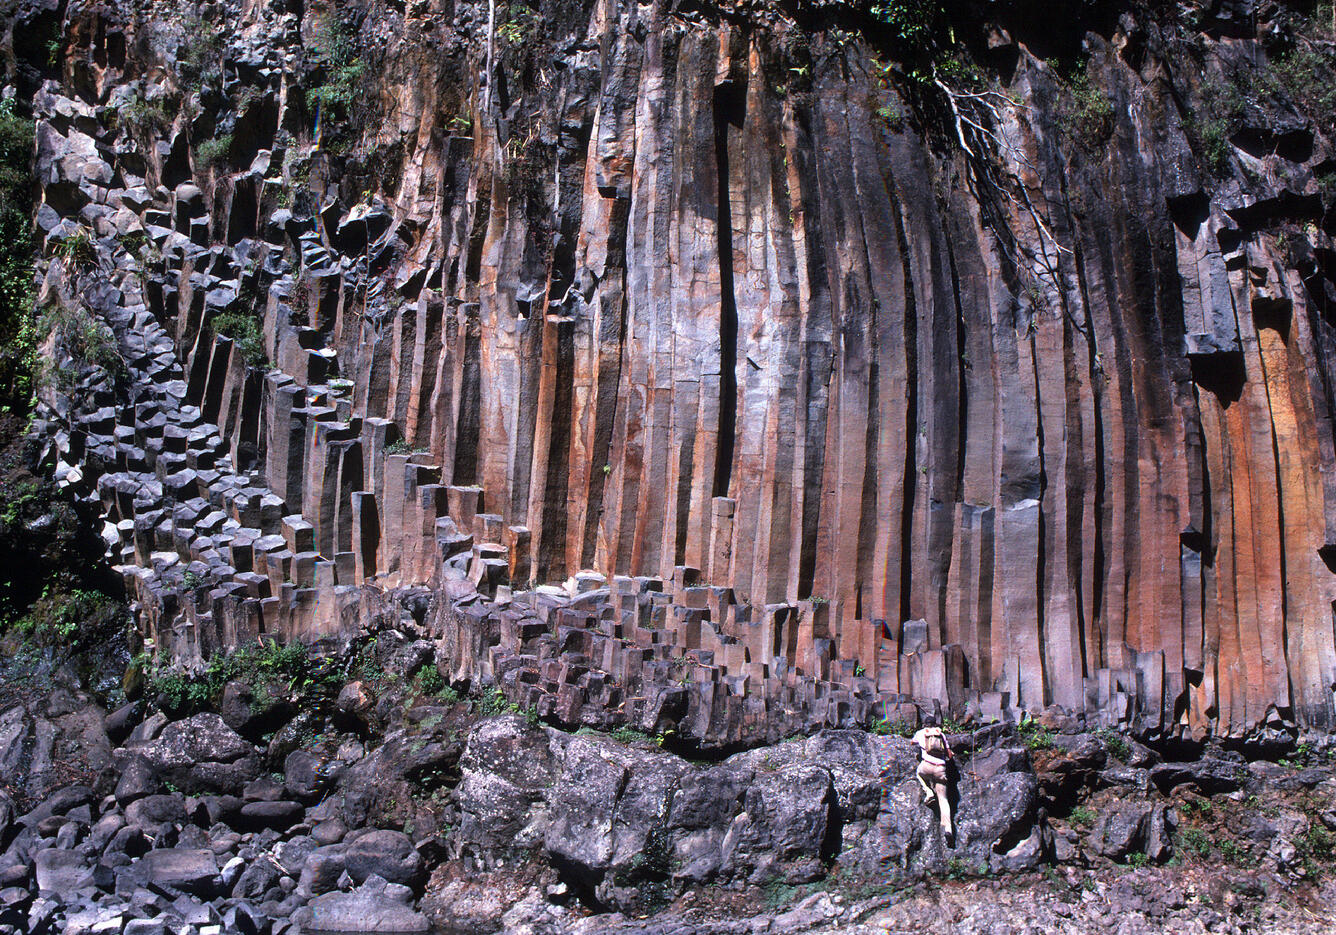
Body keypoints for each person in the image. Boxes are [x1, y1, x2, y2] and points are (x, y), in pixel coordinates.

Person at [912, 716, 954, 844]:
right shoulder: (940, 734)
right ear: (935, 724)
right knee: (943, 799)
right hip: (940, 769)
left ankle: (929, 792)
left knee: (918, 773)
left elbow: (912, 742)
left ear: (925, 724)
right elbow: (949, 755)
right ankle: (948, 829)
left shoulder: (921, 733)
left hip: (926, 766)